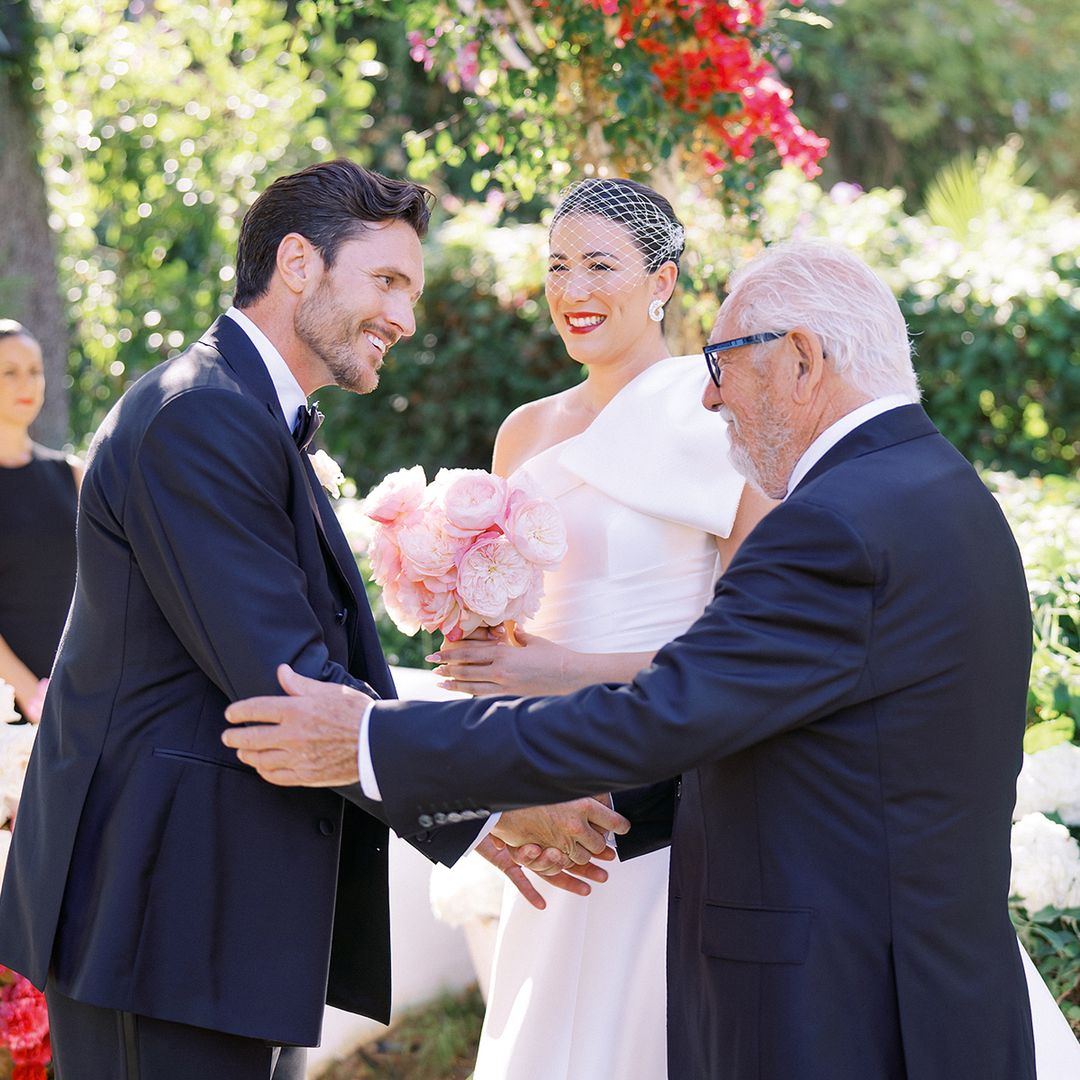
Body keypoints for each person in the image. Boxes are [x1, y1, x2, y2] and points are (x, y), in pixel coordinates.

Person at [224, 239, 1050, 1078]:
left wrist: (372, 741)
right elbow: (807, 738)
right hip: (934, 995)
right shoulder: (947, 493)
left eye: (724, 361)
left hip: (834, 1012)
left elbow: (666, 713)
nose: (708, 391)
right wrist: (585, 820)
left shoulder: (831, 526)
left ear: (801, 359)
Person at [0, 160, 588, 1080]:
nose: (406, 317)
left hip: (211, 922)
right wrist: (497, 802)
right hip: (157, 920)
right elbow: (291, 685)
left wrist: (486, 812)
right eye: (388, 281)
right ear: (299, 263)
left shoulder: (245, 414)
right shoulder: (199, 416)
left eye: (412, 290)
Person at [426, 177, 771, 1079]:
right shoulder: (524, 432)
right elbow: (507, 630)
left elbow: (751, 648)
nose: (574, 289)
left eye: (601, 265)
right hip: (551, 771)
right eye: (558, 267)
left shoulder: (724, 420)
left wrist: (562, 670)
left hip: (674, 777)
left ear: (660, 280)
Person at [0, 321, 80, 723]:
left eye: (34, 371)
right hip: (11, 714)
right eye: (9, 372)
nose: (25, 383)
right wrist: (32, 696)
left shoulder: (73, 474)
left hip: (77, 700)